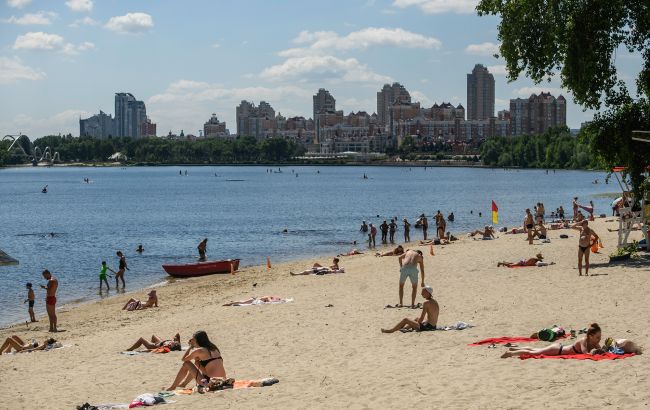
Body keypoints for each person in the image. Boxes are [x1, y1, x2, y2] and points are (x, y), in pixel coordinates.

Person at [501, 323, 602, 358]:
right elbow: (585, 353)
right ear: (591, 336)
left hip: (558, 347)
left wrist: (601, 350)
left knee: (534, 350)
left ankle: (515, 349)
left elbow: (601, 350)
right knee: (533, 353)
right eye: (597, 337)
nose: (599, 339)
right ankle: (510, 353)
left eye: (600, 337)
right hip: (557, 350)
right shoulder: (583, 340)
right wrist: (595, 352)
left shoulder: (594, 342)